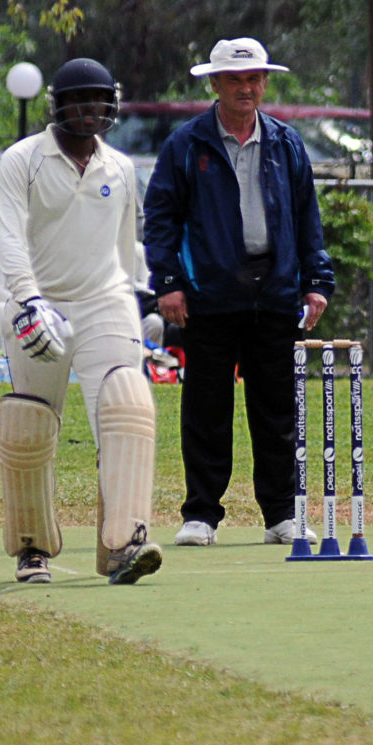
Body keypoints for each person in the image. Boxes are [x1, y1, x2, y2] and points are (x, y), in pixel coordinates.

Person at [144, 37, 335, 547]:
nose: (246, 88)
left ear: (265, 83)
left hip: (274, 293)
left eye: (253, 79)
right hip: (209, 294)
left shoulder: (287, 143)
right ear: (215, 84)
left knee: (277, 412)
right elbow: (161, 220)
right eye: (235, 80)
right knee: (206, 409)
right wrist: (168, 283)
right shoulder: (186, 145)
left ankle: (281, 515)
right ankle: (201, 514)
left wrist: (316, 282)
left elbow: (306, 220)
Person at [0, 58, 162, 585]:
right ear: (59, 106)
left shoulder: (120, 168)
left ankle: (123, 542)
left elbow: (123, 247)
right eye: (79, 102)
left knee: (127, 400)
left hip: (104, 299)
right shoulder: (22, 160)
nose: (90, 112)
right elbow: (10, 239)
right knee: (29, 424)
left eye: (99, 102)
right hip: (37, 303)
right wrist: (28, 300)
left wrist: (139, 298)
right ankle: (32, 546)